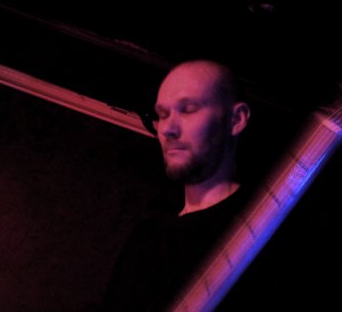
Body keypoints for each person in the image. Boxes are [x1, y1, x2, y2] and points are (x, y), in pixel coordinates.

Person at [102, 59, 252, 311]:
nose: (168, 129)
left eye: (188, 109)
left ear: (236, 119)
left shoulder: (258, 226)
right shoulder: (147, 239)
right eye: (162, 115)